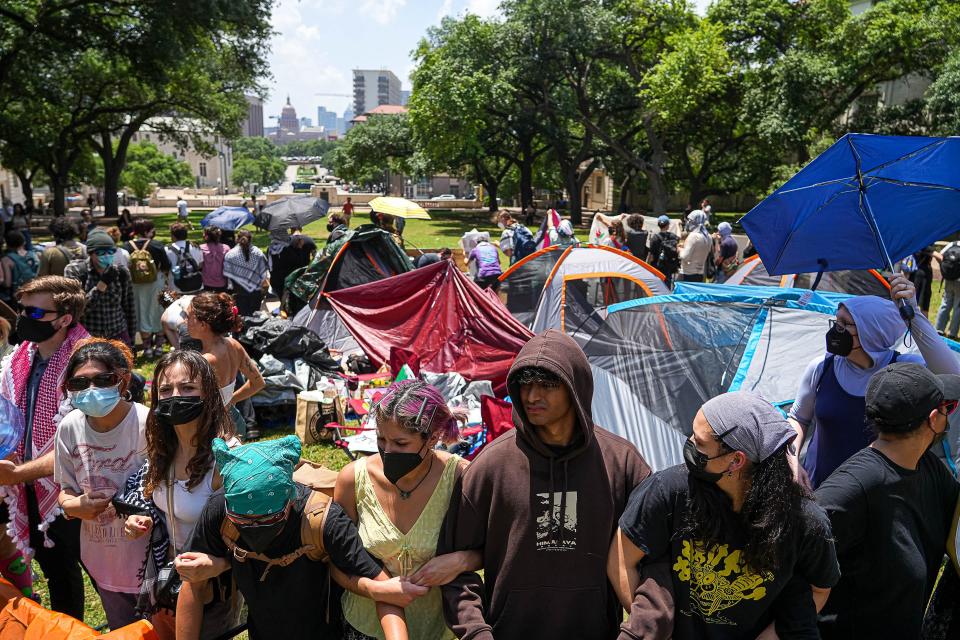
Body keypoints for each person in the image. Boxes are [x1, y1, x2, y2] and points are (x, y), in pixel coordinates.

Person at [439, 329, 651, 639]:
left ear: (576, 388)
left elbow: (655, 559)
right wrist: (476, 632)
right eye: (525, 384)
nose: (532, 396)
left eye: (548, 385)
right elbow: (455, 569)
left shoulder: (621, 463)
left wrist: (637, 631)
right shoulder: (491, 465)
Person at [611, 391, 840, 639]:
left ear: (735, 460)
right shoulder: (669, 491)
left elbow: (819, 590)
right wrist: (654, 629)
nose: (689, 444)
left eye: (699, 443)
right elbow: (621, 559)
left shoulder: (805, 523)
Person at [175, 435, 430, 640]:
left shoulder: (323, 520)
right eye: (243, 521)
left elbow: (384, 586)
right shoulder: (220, 510)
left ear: (289, 501)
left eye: (267, 520)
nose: (254, 528)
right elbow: (193, 582)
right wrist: (218, 564)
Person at [814, 363, 960, 639]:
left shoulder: (927, 467)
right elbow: (787, 559)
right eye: (948, 408)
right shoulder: (852, 488)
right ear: (933, 418)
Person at [336, 380, 481, 640]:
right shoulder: (352, 479)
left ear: (433, 437)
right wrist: (375, 589)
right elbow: (335, 559)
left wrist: (461, 560)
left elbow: (495, 547)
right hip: (365, 628)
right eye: (381, 439)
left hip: (438, 630)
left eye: (401, 443)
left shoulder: (461, 478)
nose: (387, 451)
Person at [787, 274, 960, 488]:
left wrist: (914, 315)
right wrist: (792, 459)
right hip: (818, 488)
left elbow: (953, 376)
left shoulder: (900, 372)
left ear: (871, 332)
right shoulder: (822, 367)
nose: (835, 329)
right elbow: (798, 418)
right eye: (836, 320)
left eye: (845, 324)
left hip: (876, 499)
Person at [122, 350, 242, 638]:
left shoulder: (227, 459)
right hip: (167, 577)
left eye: (187, 387)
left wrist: (220, 564)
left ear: (208, 394)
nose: (175, 396)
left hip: (213, 587)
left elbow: (257, 540)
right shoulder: (162, 448)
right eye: (165, 389)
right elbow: (159, 504)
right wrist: (141, 519)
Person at [0, 276, 89, 618]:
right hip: (33, 487)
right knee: (58, 571)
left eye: (35, 312)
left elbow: (81, 444)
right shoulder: (21, 357)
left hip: (79, 488)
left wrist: (18, 473)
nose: (23, 318)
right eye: (22, 309)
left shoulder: (87, 362)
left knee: (103, 575)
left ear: (65, 318)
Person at [53, 338, 149, 629]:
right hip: (103, 561)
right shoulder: (69, 427)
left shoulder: (147, 424)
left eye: (102, 379)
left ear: (122, 381)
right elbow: (65, 490)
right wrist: (75, 506)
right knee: (123, 631)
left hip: (150, 561)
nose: (91, 390)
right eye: (79, 383)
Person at [186, 292, 265, 440]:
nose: (185, 321)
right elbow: (258, 382)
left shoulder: (205, 361)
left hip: (214, 430)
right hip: (235, 421)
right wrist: (231, 400)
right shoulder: (234, 344)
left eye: (189, 317)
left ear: (203, 324)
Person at [65, 229, 136, 344]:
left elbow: (129, 308)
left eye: (111, 251)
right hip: (88, 335)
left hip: (117, 334)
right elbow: (76, 310)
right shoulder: (76, 271)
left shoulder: (121, 272)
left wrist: (131, 339)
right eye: (101, 253)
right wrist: (101, 285)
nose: (107, 256)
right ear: (90, 253)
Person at [126, 219, 172, 359]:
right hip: (155, 284)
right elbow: (166, 266)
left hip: (136, 286)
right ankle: (158, 348)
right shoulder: (157, 245)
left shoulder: (126, 247)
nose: (153, 232)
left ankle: (147, 349)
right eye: (152, 230)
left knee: (142, 313)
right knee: (157, 312)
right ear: (147, 231)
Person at [223, 230, 269, 317]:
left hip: (238, 291)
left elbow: (228, 277)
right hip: (255, 291)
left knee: (241, 317)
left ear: (237, 239)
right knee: (254, 317)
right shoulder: (258, 252)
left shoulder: (230, 254)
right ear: (251, 239)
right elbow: (264, 273)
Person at [269, 228, 316, 300]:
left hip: (278, 280)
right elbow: (313, 257)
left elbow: (270, 265)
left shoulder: (271, 248)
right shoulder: (289, 247)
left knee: (284, 300)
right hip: (294, 278)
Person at [0, 231, 38, 306]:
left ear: (7, 244)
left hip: (17, 296)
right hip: (34, 292)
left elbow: (7, 283)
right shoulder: (34, 255)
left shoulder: (7, 260)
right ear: (24, 242)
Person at [165, 223, 204, 294]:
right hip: (195, 285)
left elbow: (165, 269)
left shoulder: (167, 249)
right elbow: (200, 265)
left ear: (173, 235)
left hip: (175, 288)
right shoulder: (196, 247)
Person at [679, 211, 712, 283]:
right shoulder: (708, 236)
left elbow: (685, 256)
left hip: (687, 273)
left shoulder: (693, 236)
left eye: (690, 220)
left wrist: (680, 249)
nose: (688, 222)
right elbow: (707, 252)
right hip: (700, 274)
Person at [648, 215, 680, 286]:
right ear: (668, 225)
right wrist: (677, 225)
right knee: (667, 285)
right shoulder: (672, 236)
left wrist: (647, 265)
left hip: (657, 266)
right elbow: (679, 237)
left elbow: (651, 255)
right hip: (669, 266)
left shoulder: (655, 238)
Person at [199, 227, 229, 293]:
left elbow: (199, 266)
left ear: (207, 236)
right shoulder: (226, 248)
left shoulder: (200, 248)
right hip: (221, 282)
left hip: (206, 282)